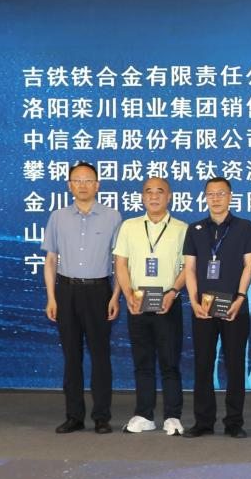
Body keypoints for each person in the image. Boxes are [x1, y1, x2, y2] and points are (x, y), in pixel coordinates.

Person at [42, 162, 121, 434]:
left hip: (100, 291)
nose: (83, 185)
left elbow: (120, 262)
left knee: (101, 356)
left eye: (88, 180)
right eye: (77, 180)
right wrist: (51, 297)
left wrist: (116, 296)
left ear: (97, 185)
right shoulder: (58, 217)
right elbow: (50, 259)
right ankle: (74, 416)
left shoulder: (112, 217)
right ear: (69, 185)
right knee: (71, 356)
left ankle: (101, 417)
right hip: (66, 291)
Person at [183, 177, 251, 438]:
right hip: (203, 308)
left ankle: (234, 422)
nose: (216, 199)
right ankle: (203, 421)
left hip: (234, 307)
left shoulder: (244, 227)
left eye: (221, 194)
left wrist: (240, 297)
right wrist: (193, 301)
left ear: (230, 196)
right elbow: (189, 268)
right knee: (203, 364)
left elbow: (249, 265)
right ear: (205, 197)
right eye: (211, 194)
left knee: (235, 366)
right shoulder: (195, 229)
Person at [113, 176, 188, 435]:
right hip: (138, 302)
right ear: (142, 197)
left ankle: (172, 416)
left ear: (169, 197)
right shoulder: (129, 226)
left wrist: (173, 292)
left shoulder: (181, 228)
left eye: (160, 191)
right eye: (149, 192)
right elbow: (121, 264)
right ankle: (144, 414)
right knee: (142, 361)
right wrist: (127, 295)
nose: (154, 196)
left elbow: (188, 267)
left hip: (167, 301)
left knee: (170, 362)